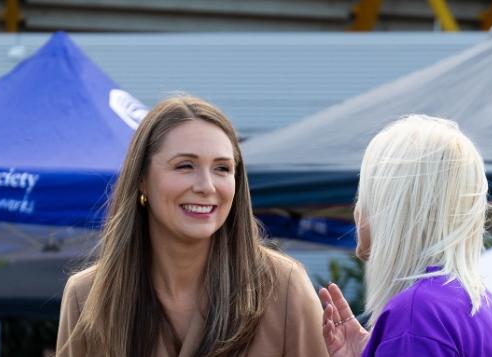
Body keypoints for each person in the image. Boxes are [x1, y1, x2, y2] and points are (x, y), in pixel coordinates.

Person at [56, 96, 327, 357]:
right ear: (142, 179)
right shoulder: (87, 297)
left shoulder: (283, 287)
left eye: (222, 168)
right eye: (185, 166)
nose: (206, 187)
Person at [318, 115, 492, 356]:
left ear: (392, 206)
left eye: (365, 191)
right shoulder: (477, 306)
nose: (357, 207)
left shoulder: (417, 315)